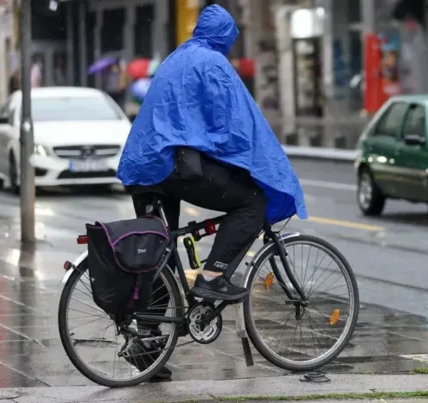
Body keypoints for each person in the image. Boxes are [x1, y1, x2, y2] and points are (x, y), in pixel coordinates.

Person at [116, 5, 307, 379]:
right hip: (171, 165)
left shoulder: (176, 57)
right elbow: (236, 127)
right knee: (252, 202)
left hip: (143, 167)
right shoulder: (213, 63)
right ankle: (213, 275)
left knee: (160, 250)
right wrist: (261, 167)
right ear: (225, 35)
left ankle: (146, 345)